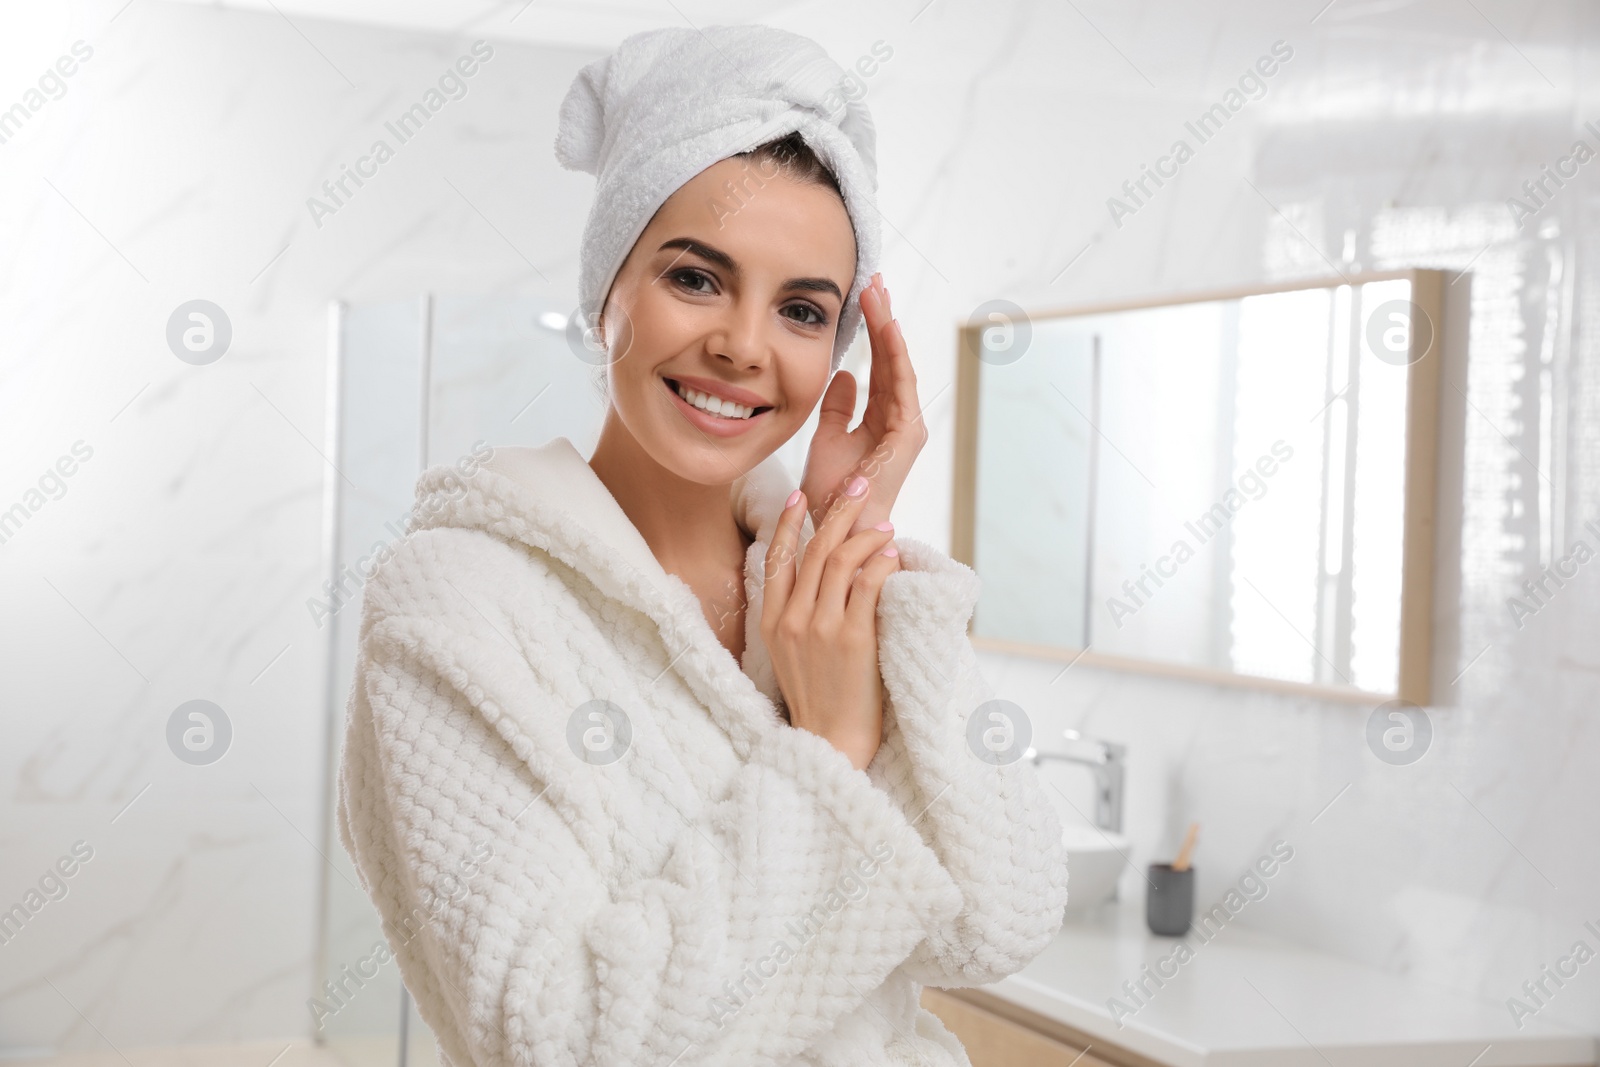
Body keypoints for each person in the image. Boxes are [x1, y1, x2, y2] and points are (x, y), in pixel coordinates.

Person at [337, 23, 1069, 1066]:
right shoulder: (457, 602)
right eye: (695, 277)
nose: (743, 343)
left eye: (803, 309)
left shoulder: (814, 588)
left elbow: (998, 915)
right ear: (609, 296)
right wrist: (822, 753)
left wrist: (852, 532)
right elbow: (565, 1040)